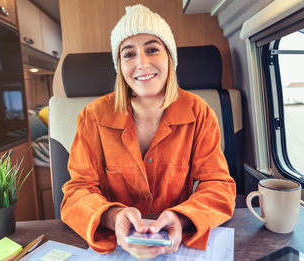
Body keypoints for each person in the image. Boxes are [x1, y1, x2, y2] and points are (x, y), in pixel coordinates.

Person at [61, 4, 236, 260]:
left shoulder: (199, 112)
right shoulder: (92, 116)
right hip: (116, 245)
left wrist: (182, 218)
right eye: (128, 54)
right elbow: (76, 192)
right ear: (119, 66)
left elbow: (219, 185)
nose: (142, 63)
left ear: (169, 57)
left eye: (152, 49)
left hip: (176, 245)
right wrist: (113, 216)